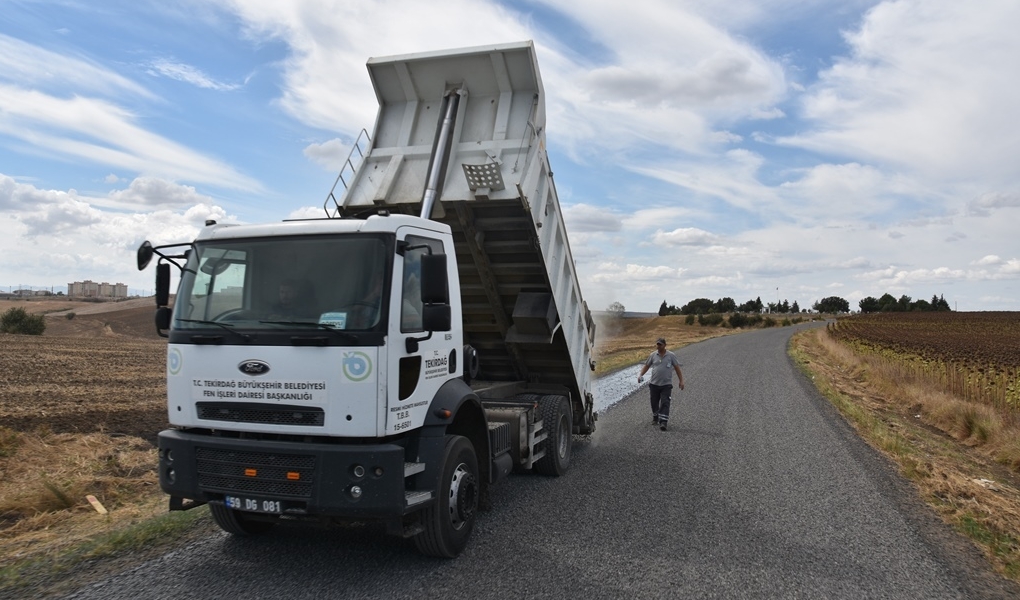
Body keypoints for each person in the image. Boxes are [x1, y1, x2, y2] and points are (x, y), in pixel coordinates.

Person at [637, 337, 685, 431]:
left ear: (665, 345)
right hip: (654, 384)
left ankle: (663, 422)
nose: (658, 346)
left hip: (666, 385)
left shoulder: (671, 356)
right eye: (657, 344)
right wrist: (640, 375)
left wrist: (681, 381)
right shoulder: (653, 355)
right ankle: (656, 417)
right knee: (654, 402)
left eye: (660, 344)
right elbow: (646, 366)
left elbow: (677, 368)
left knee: (665, 402)